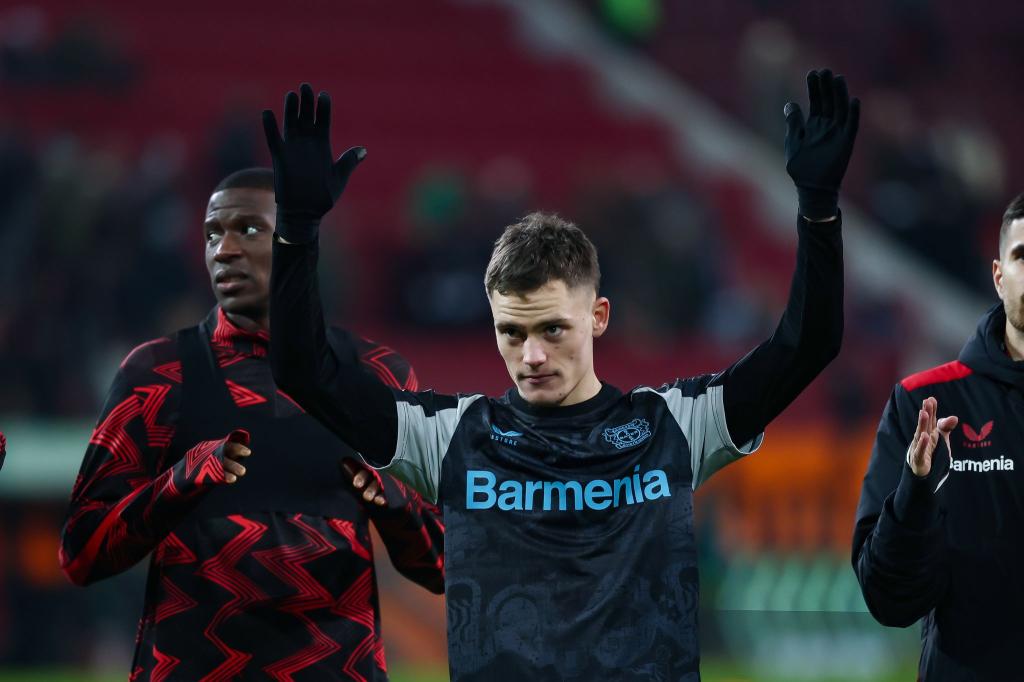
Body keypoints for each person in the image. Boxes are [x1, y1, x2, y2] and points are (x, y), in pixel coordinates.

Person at [267, 70, 857, 680]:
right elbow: (305, 369)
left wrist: (818, 212)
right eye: (511, 333)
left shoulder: (673, 426)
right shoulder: (451, 438)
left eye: (552, 329)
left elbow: (807, 343)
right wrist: (296, 232)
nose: (531, 357)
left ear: (598, 316)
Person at [59, 167, 444, 680]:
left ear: (299, 243)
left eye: (249, 230)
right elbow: (81, 554)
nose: (224, 250)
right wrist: (176, 485)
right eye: (213, 233)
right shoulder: (156, 373)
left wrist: (396, 508)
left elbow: (443, 565)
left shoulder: (377, 376)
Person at [854, 194, 1024, 680]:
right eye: (1022, 256)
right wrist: (915, 488)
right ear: (997, 276)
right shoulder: (924, 403)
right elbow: (887, 598)